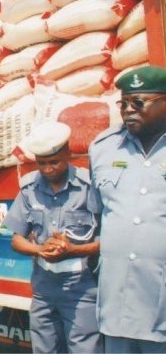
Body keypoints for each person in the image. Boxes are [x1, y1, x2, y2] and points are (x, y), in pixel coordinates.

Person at [3, 122, 102, 354]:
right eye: (41, 163)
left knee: (85, 349)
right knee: (45, 349)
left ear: (67, 153)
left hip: (82, 289)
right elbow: (16, 239)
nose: (47, 169)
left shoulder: (89, 187)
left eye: (54, 162)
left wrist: (73, 250)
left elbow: (109, 241)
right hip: (44, 290)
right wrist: (39, 250)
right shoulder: (29, 188)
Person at [88, 65, 166, 353]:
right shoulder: (104, 148)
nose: (128, 110)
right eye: (123, 103)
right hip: (116, 305)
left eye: (138, 102)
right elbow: (97, 214)